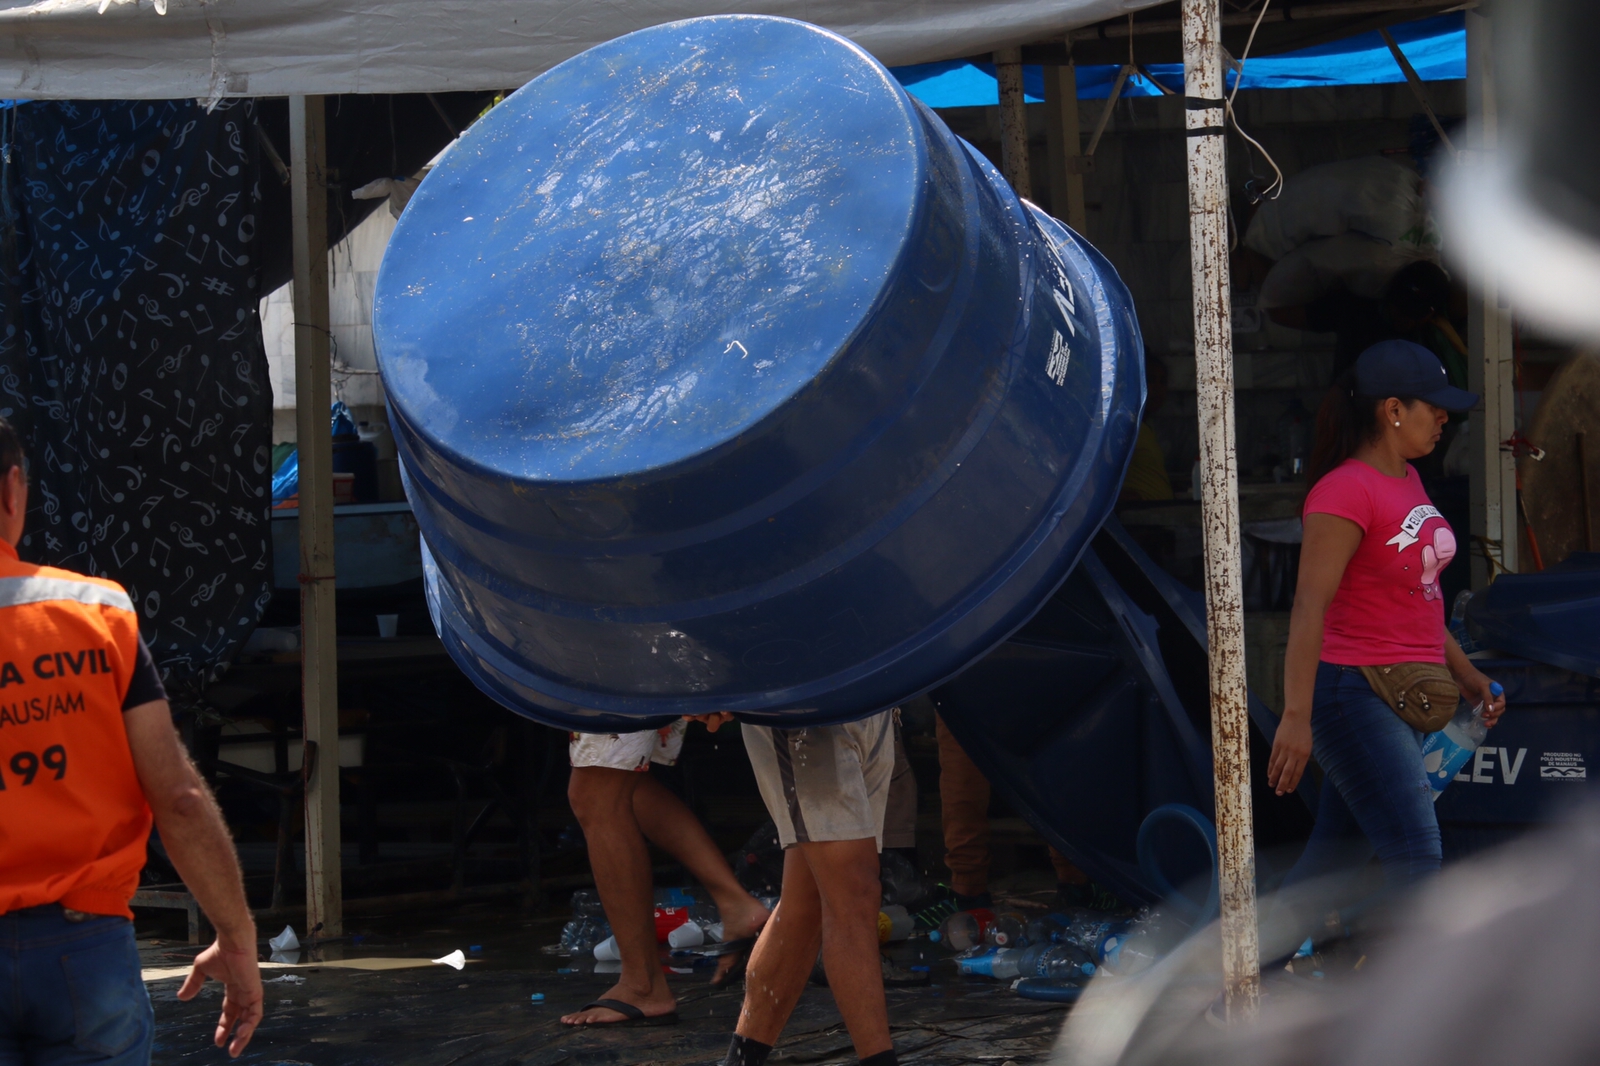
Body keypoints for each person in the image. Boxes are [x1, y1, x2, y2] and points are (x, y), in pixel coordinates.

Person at [0, 414, 262, 1061]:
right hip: (84, 947)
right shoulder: (98, 615)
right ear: (12, 490)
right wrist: (236, 935)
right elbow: (180, 797)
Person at [1267, 341, 1506, 892]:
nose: (1445, 417)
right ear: (1392, 409)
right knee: (1417, 857)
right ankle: (1429, 981)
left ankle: (1249, 973)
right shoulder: (1345, 490)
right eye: (1434, 406)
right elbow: (1308, 607)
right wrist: (1297, 716)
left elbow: (1418, 600)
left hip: (1404, 689)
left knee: (1333, 862)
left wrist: (1466, 675)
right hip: (1352, 693)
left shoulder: (1407, 477)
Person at [694, 710, 898, 1066]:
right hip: (798, 707)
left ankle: (739, 1063)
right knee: (855, 892)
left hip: (869, 695)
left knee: (808, 901)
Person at [559, 721, 771, 1027]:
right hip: (642, 671)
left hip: (625, 671)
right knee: (624, 780)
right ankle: (734, 902)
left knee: (595, 792)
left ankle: (642, 985)